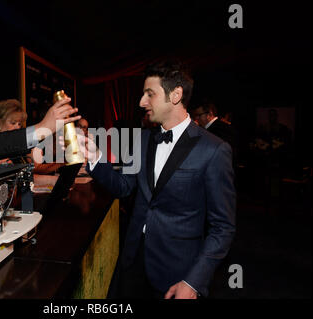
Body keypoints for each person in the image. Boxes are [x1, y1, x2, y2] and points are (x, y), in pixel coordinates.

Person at [82, 61, 236, 298]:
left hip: (177, 271)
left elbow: (223, 228)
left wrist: (193, 282)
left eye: (149, 94)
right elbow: (124, 187)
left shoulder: (214, 150)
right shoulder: (142, 140)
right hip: (134, 260)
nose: (141, 102)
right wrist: (95, 158)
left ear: (175, 95)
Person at [0, 98, 64, 174]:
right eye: (13, 123)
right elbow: (17, 179)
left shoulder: (17, 144)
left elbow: (36, 169)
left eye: (19, 124)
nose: (17, 127)